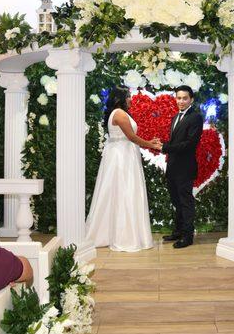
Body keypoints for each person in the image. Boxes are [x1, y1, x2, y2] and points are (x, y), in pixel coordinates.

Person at [85, 86, 160, 252]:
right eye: (128, 96)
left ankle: (115, 232)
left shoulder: (120, 113)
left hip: (124, 154)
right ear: (120, 98)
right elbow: (131, 137)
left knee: (121, 192)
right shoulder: (119, 113)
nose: (130, 99)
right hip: (121, 158)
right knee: (124, 192)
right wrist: (151, 144)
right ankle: (124, 236)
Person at [156, 85, 203, 249]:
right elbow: (176, 142)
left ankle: (188, 236)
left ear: (191, 99)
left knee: (186, 202)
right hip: (173, 166)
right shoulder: (175, 116)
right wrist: (163, 145)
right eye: (178, 98)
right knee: (177, 201)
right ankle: (178, 231)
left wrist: (165, 147)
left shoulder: (195, 117)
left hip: (185, 167)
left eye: (184, 98)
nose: (181, 101)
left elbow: (190, 144)